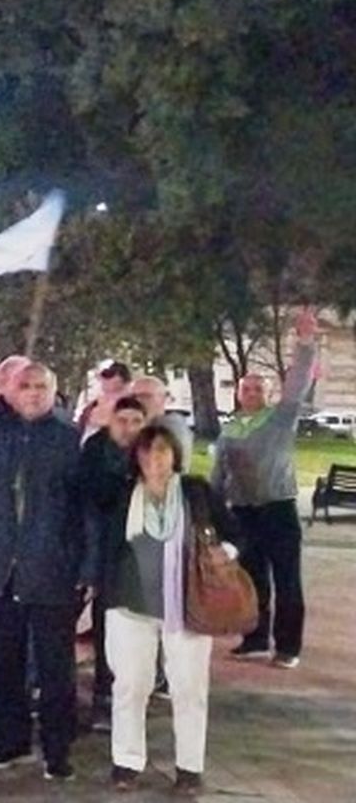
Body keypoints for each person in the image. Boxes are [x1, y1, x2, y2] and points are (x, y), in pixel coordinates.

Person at [0, 336, 94, 780]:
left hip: (51, 570)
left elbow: (85, 509)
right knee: (5, 660)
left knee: (55, 666)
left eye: (40, 386)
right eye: (23, 385)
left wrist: (86, 568)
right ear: (9, 389)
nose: (32, 393)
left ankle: (57, 749)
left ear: (54, 392)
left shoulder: (68, 440)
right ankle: (10, 740)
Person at [103, 426, 238, 795]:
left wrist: (224, 554)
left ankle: (189, 768)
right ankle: (126, 760)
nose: (154, 459)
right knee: (130, 683)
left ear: (175, 454)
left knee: (189, 685)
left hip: (187, 602)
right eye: (146, 452)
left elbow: (234, 532)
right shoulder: (122, 493)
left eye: (162, 450)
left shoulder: (195, 491)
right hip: (130, 602)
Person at [211, 308, 318, 668]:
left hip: (278, 509)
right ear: (238, 393)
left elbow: (299, 382)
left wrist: (305, 342)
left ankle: (288, 647)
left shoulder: (279, 419)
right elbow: (219, 474)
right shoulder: (230, 428)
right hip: (243, 514)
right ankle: (255, 639)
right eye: (246, 388)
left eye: (259, 388)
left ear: (269, 394)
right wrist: (212, 511)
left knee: (287, 581)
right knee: (252, 580)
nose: (252, 392)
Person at [81, 396, 150, 720]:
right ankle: (104, 695)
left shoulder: (153, 452)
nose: (129, 428)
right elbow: (93, 497)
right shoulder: (96, 452)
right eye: (122, 421)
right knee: (106, 629)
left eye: (136, 422)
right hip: (105, 554)